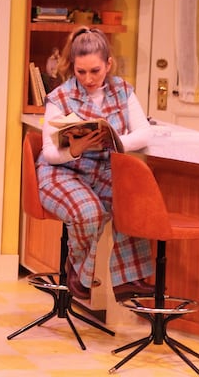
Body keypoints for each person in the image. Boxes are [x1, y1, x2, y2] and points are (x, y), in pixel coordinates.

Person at [38, 26, 154, 302]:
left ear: (108, 65)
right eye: (81, 72)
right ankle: (79, 271)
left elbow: (144, 132)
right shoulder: (60, 97)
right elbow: (50, 152)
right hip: (61, 172)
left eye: (95, 71)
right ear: (73, 68)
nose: (88, 79)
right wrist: (75, 149)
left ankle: (128, 278)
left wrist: (116, 140)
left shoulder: (122, 91)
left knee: (131, 201)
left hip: (102, 172)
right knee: (90, 212)